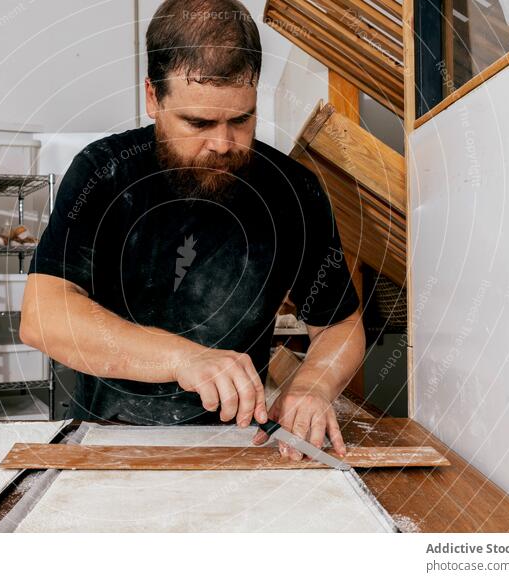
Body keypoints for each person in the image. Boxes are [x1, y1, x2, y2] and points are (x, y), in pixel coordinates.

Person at [20, 0, 364, 460]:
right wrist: (184, 359)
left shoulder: (293, 191)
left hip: (241, 442)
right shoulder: (103, 173)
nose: (222, 144)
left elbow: (341, 323)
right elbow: (43, 315)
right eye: (198, 122)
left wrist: (313, 386)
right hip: (110, 439)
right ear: (152, 97)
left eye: (241, 120)